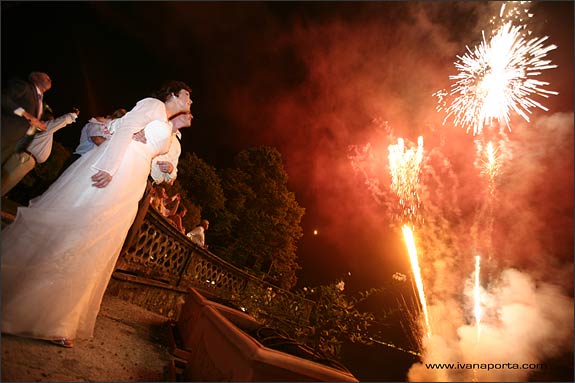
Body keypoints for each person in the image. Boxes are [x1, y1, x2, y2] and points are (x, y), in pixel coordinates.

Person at [1, 80, 193, 348]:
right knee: (79, 235)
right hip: (120, 171)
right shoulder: (153, 105)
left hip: (133, 183)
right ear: (173, 94)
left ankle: (60, 320)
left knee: (98, 246)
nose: (190, 102)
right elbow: (125, 128)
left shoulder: (165, 122)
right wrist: (110, 167)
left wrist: (160, 142)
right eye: (187, 96)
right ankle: (28, 305)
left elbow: (154, 160)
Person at [1, 105, 79, 197]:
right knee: (5, 182)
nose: (52, 119)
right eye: (50, 117)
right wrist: (73, 115)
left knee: (6, 182)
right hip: (24, 157)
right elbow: (61, 121)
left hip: (25, 158)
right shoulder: (42, 126)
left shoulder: (43, 130)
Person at [1, 72, 51, 182]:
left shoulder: (41, 103)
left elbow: (31, 122)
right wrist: (25, 114)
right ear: (35, 77)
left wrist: (38, 127)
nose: (49, 79)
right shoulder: (24, 86)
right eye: (46, 77)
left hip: (13, 144)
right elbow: (3, 98)